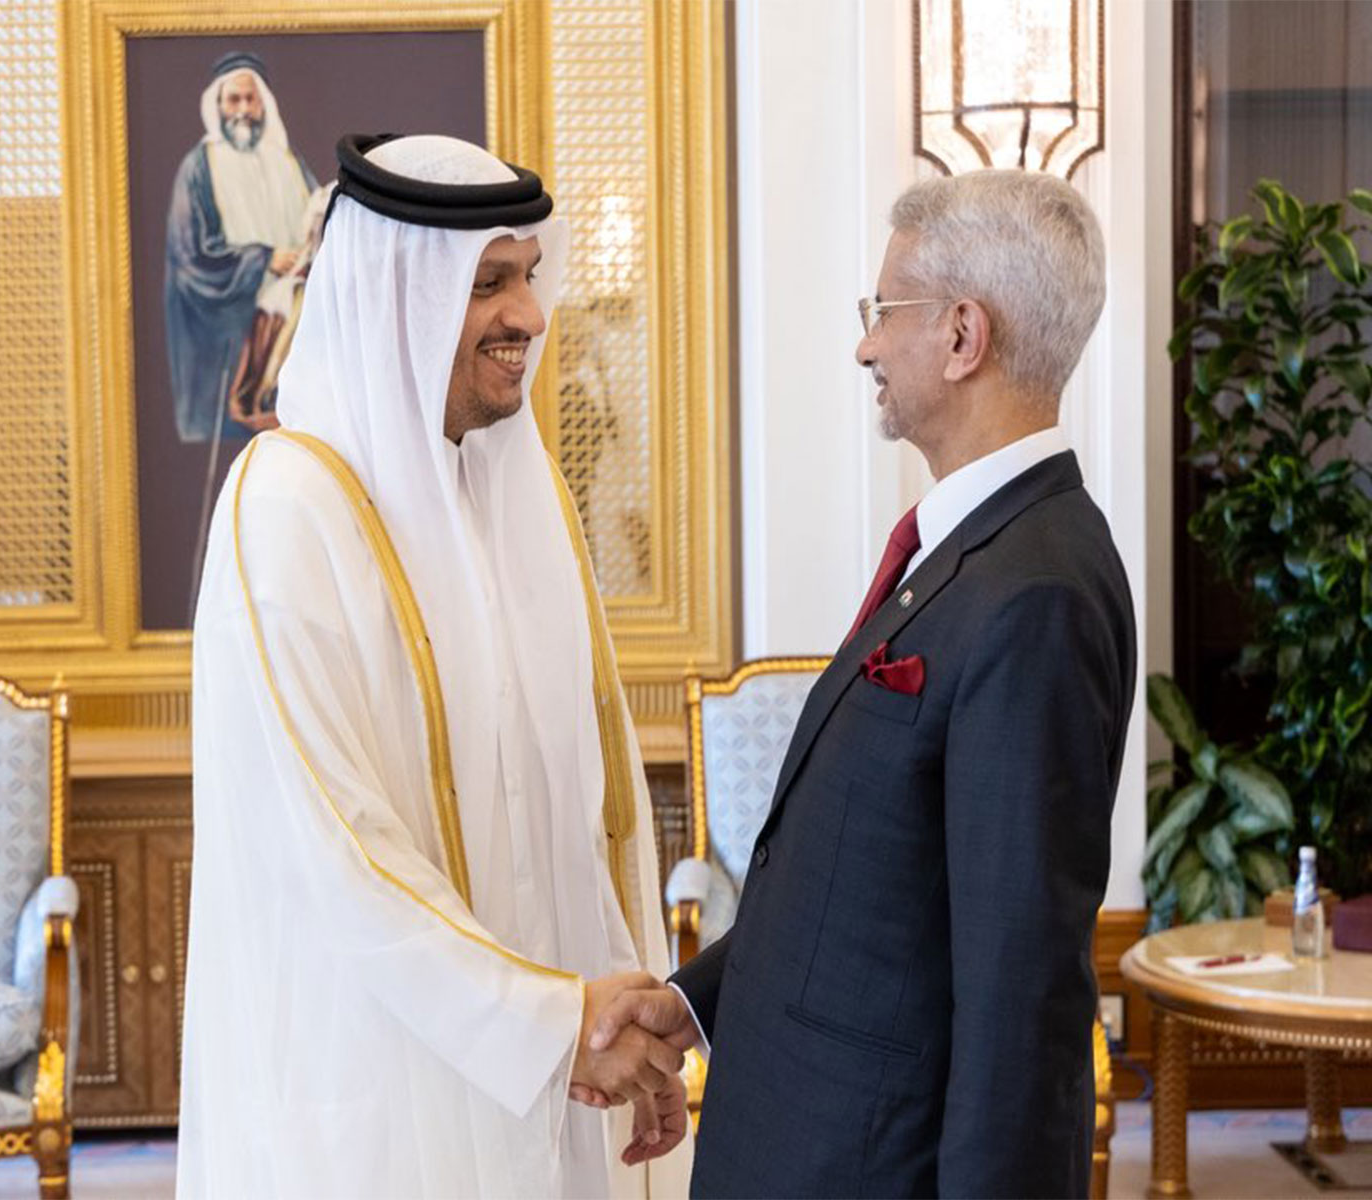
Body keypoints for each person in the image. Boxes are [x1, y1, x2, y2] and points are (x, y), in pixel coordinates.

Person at [591, 169, 1137, 1197]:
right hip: (802, 1137)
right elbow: (870, 884)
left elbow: (1019, 990)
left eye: (884, 311)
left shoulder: (1037, 591)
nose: (866, 346)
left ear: (963, 334)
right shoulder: (973, 550)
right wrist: (699, 999)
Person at [177, 133, 691, 1199]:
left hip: (552, 1091)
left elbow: (591, 818)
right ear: (396, 298)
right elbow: (339, 850)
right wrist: (556, 1024)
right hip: (377, 1099)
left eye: (529, 277)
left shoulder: (521, 495)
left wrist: (626, 1030)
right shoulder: (286, 510)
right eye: (487, 284)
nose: (529, 317)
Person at [163, 51, 329, 443]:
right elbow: (189, 257)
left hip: (290, 312)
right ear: (218, 105)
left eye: (249, 99)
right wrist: (264, 260)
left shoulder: (287, 162)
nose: (242, 110)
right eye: (233, 99)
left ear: (263, 103)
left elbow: (317, 225)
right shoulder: (198, 167)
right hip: (230, 321)